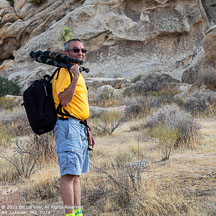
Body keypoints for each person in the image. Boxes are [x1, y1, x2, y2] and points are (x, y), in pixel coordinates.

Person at [52, 39, 95, 216]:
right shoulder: (64, 72)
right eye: (76, 50)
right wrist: (75, 76)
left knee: (76, 175)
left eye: (83, 50)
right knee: (69, 174)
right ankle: (70, 214)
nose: (81, 53)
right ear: (67, 52)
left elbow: (78, 105)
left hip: (78, 127)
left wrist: (87, 128)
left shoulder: (75, 72)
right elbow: (64, 100)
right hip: (67, 126)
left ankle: (78, 213)